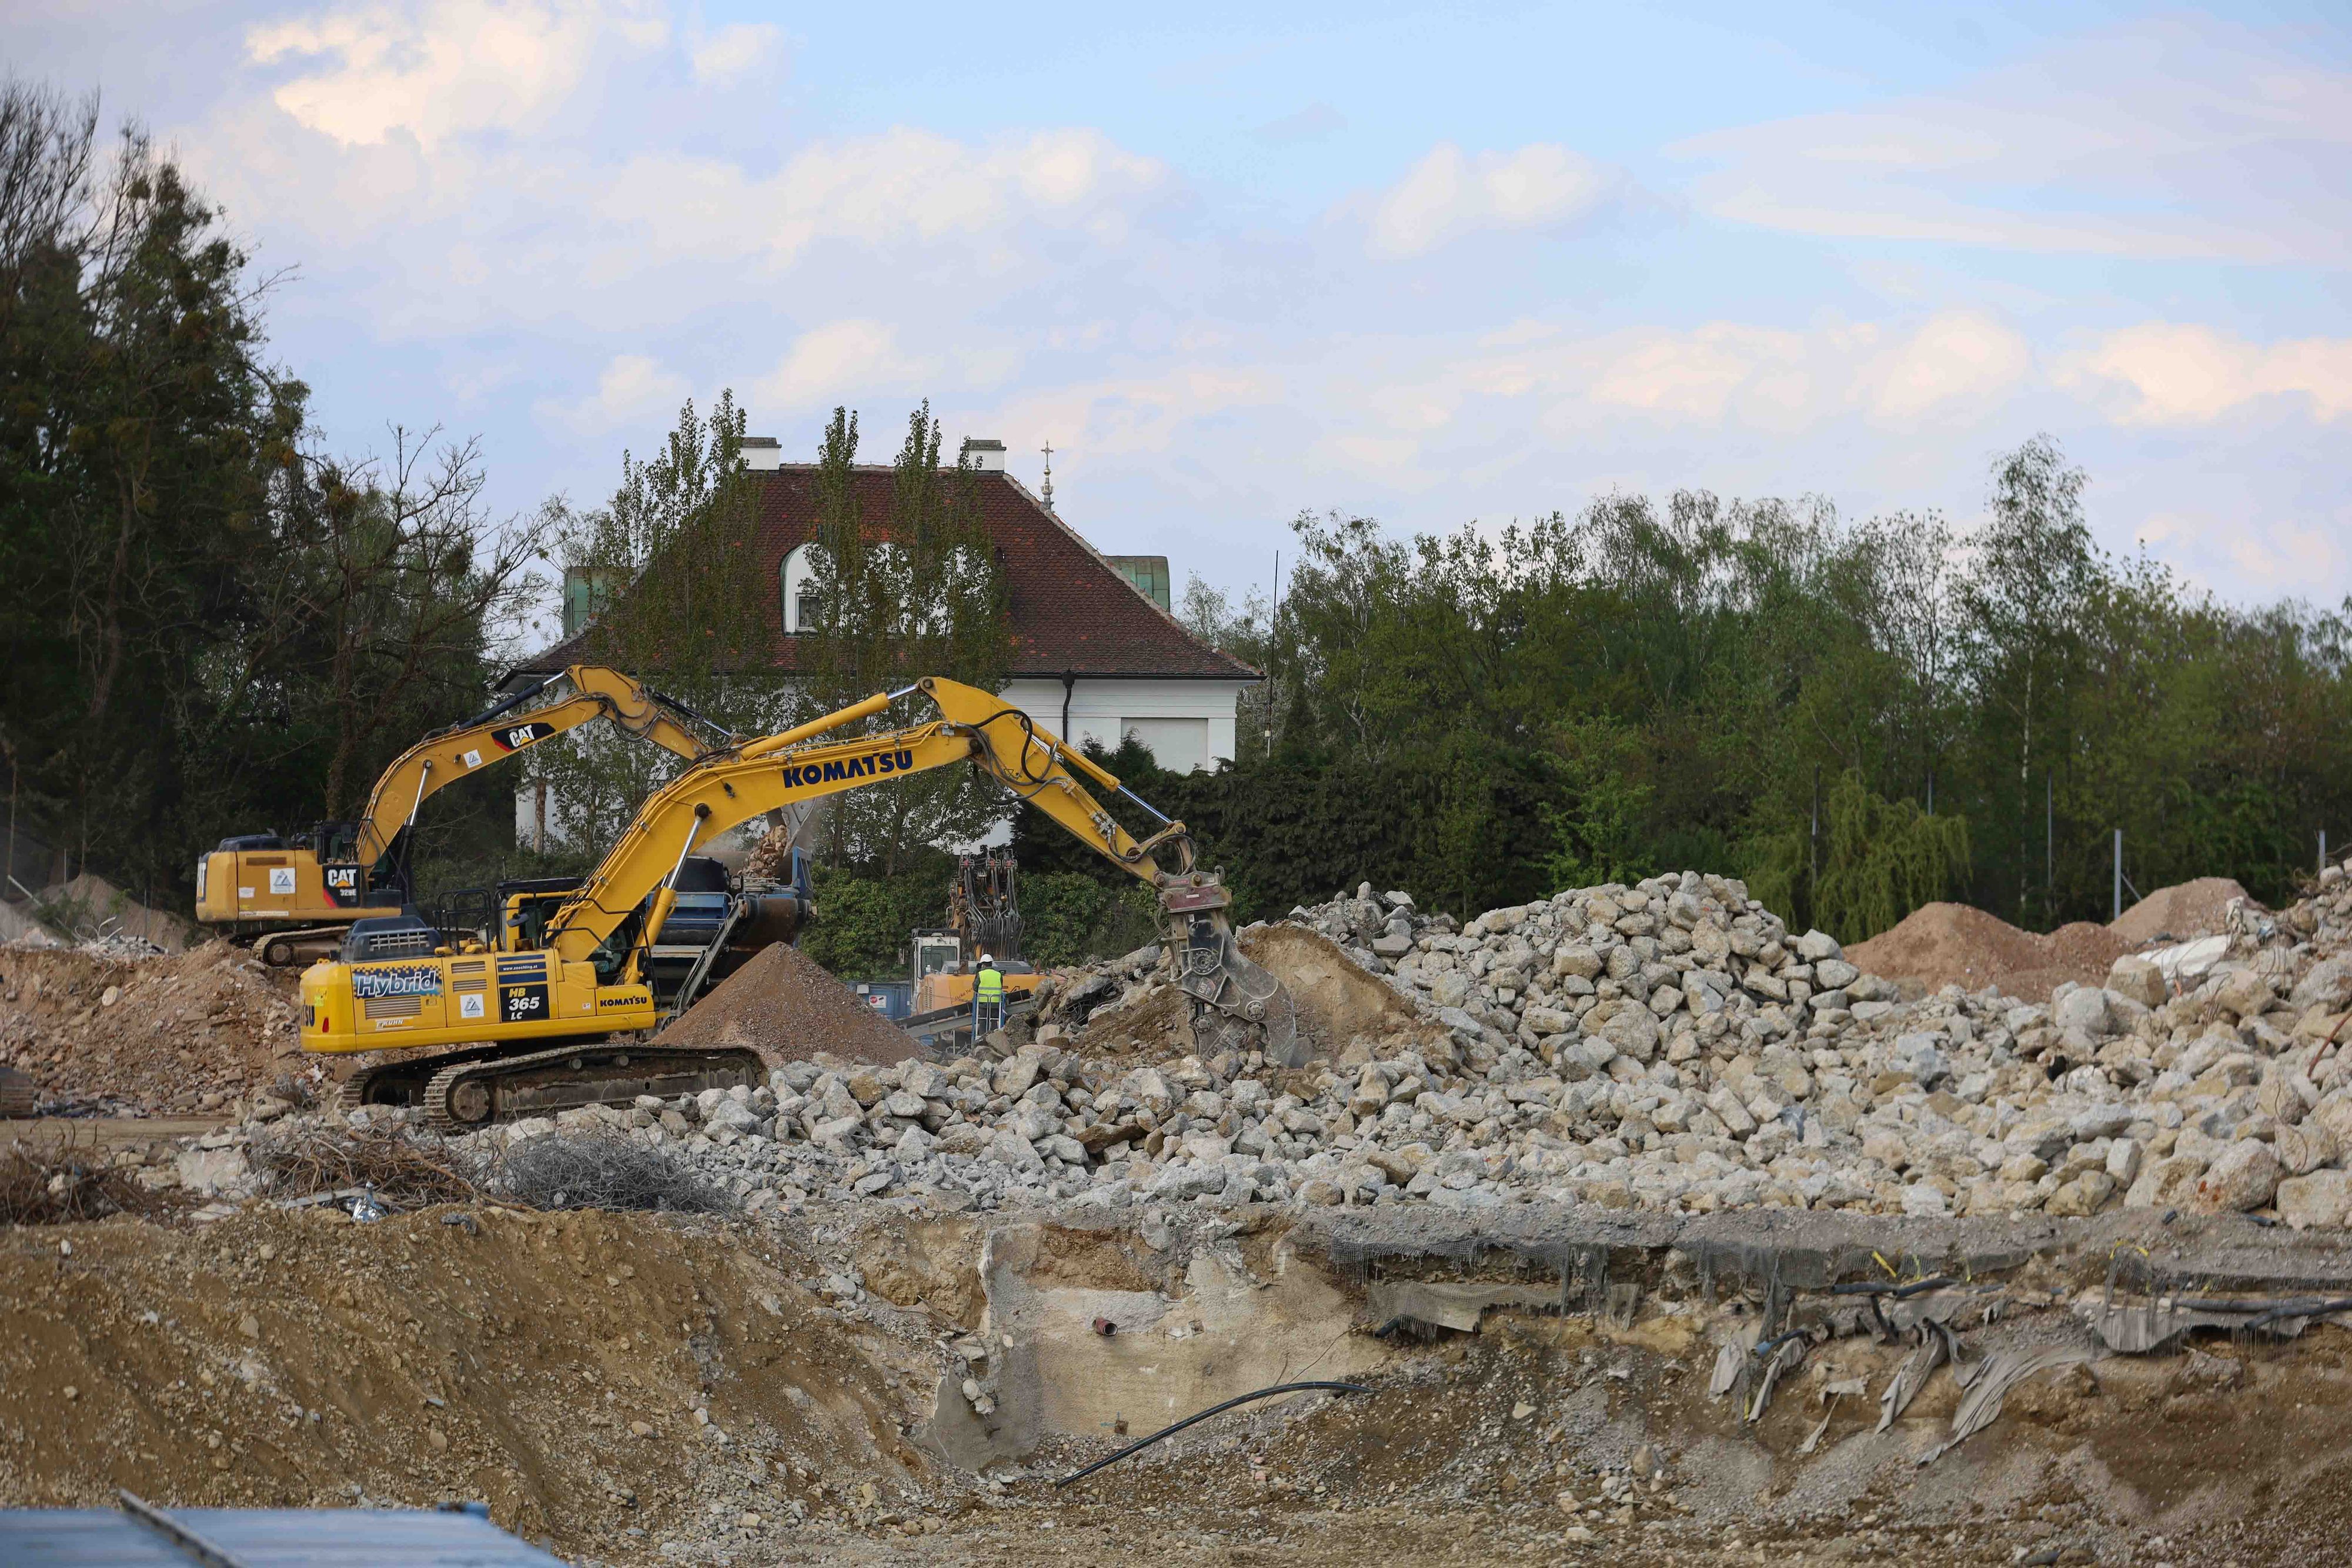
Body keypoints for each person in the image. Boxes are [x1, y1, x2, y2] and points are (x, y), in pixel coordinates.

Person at [973, 952, 1005, 1038]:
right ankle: (995, 1038)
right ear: (991, 964)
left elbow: (975, 987)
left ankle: (982, 1038)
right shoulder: (998, 975)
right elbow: (1000, 986)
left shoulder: (980, 974)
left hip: (984, 1004)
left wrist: (977, 971)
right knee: (994, 1021)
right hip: (996, 1004)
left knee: (983, 1022)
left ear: (983, 965)